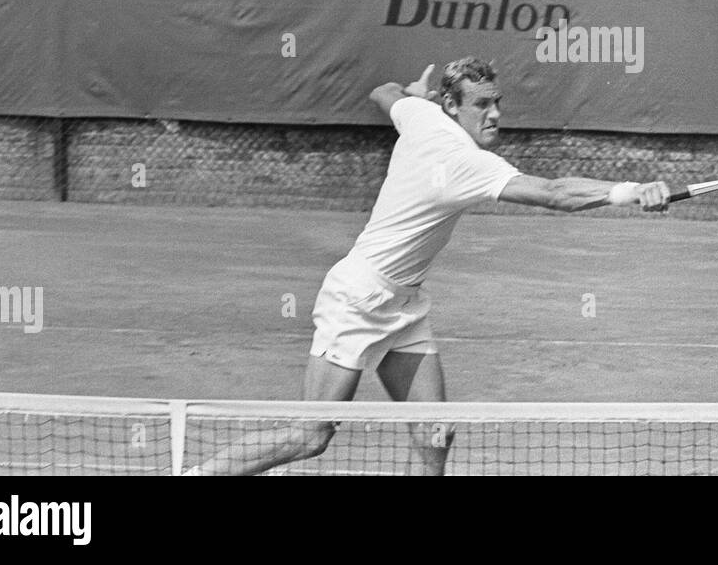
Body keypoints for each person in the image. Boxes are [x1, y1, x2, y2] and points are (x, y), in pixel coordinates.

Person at [185, 59, 670, 476]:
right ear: (453, 107)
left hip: (406, 302)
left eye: (497, 101)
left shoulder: (420, 115)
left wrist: (413, 97)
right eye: (481, 104)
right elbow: (553, 194)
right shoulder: (461, 160)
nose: (495, 113)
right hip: (357, 299)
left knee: (435, 431)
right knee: (312, 435)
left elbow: (384, 93)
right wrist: (627, 191)